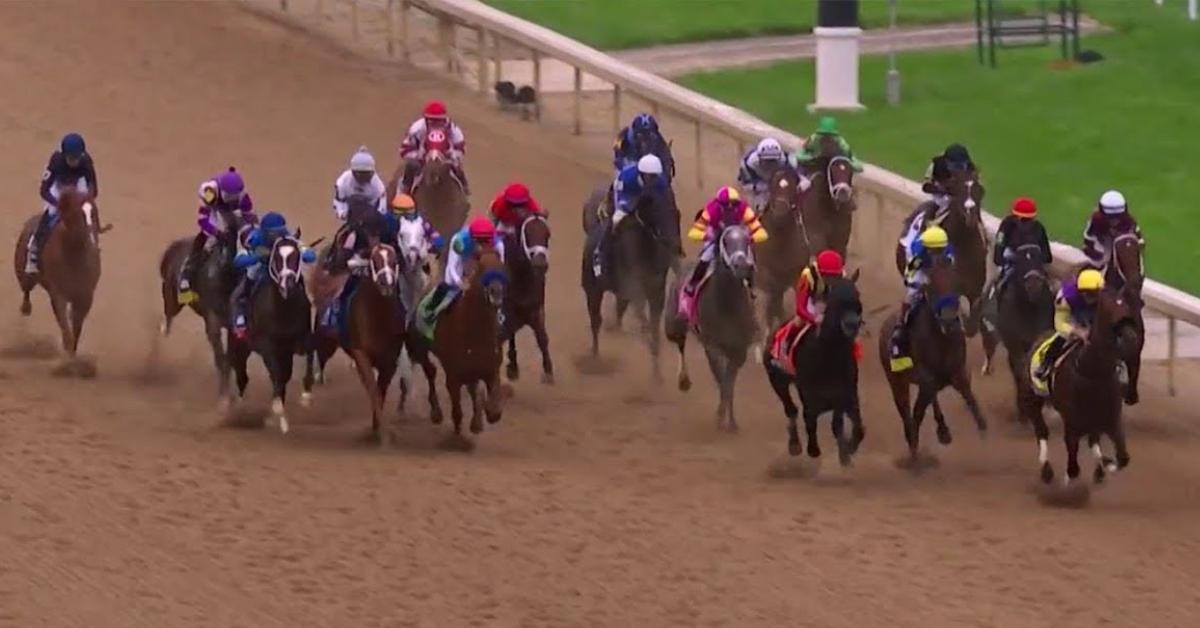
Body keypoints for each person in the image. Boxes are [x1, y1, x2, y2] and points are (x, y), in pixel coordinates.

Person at [230, 212, 315, 339]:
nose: (277, 236)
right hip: (262, 269)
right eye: (273, 233)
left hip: (281, 269)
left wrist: (304, 252)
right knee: (238, 294)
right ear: (265, 232)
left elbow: (310, 255)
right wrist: (256, 256)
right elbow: (238, 260)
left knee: (300, 283)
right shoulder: (254, 238)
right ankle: (240, 322)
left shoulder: (288, 238)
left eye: (279, 232)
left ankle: (307, 326)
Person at [178, 168, 257, 304]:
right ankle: (186, 275)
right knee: (208, 238)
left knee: (247, 235)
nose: (232, 199)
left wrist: (250, 233)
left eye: (235, 197)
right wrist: (216, 232)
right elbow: (203, 221)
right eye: (230, 196)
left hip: (233, 212)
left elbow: (249, 217)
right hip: (215, 209)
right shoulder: (209, 192)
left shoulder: (243, 196)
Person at [25, 132, 99, 275]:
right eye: (71, 158)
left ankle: (92, 243)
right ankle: (33, 252)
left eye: (77, 158)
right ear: (64, 155)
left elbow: (93, 188)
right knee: (50, 215)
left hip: (77, 187)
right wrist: (58, 204)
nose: (74, 162)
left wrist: (85, 200)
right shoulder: (56, 161)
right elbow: (44, 190)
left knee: (87, 212)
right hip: (58, 190)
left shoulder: (86, 162)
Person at [680, 186, 768, 303]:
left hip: (737, 237)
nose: (730, 207)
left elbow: (761, 233)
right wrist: (707, 235)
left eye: (734, 204)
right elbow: (693, 232)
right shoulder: (711, 209)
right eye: (726, 204)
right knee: (706, 257)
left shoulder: (743, 208)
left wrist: (750, 238)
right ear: (719, 204)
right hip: (716, 237)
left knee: (749, 258)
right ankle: (693, 283)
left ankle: (752, 287)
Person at [592, 154, 669, 278]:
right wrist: (629, 207)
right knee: (616, 219)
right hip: (626, 194)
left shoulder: (660, 182)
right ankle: (600, 253)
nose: (652, 179)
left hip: (645, 197)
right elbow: (621, 197)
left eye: (654, 176)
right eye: (650, 176)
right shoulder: (627, 178)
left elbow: (663, 199)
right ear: (642, 173)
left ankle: (671, 255)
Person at [889, 226, 954, 372]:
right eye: (934, 250)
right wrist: (919, 285)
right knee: (911, 297)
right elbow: (909, 275)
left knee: (951, 297)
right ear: (928, 248)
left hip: (939, 276)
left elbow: (952, 270)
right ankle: (899, 331)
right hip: (921, 275)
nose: (937, 253)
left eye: (940, 250)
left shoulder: (948, 250)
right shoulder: (917, 253)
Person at [422, 216, 505, 326]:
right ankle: (431, 309)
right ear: (473, 239)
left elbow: (499, 268)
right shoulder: (459, 241)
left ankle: (500, 314)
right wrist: (460, 283)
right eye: (479, 242)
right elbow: (451, 267)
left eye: (486, 242)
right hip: (462, 258)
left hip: (479, 262)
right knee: (449, 282)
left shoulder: (499, 245)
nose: (482, 245)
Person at [1034, 268, 1104, 382]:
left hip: (1092, 320)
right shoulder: (1065, 298)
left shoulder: (1103, 299)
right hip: (1072, 319)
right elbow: (1060, 324)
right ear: (1082, 292)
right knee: (1062, 338)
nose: (1095, 299)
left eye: (1097, 295)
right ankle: (1046, 363)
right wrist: (1078, 332)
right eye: (1091, 295)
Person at [986, 196, 1052, 300]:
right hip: (1017, 261)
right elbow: (1047, 255)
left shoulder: (1038, 227)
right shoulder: (1008, 225)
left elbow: (1047, 255)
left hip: (1028, 262)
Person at [398, 100, 468, 196]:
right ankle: (404, 192)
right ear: (426, 120)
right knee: (410, 166)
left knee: (458, 168)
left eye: (439, 121)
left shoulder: (453, 129)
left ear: (444, 120)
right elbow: (404, 150)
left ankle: (465, 190)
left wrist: (451, 154)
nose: (435, 124)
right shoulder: (416, 129)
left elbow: (461, 149)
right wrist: (420, 155)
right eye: (432, 121)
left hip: (445, 159)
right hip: (421, 159)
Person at [1081, 189, 1144, 272]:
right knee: (1098, 263)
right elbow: (1089, 240)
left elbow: (1139, 242)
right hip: (1102, 242)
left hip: (1122, 245)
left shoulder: (1129, 222)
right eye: (1110, 218)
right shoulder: (1096, 220)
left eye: (1118, 217)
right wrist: (1098, 257)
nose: (1114, 221)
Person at [737, 137, 800, 212]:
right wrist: (762, 187)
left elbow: (797, 176)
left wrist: (801, 181)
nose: (770, 164)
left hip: (778, 182)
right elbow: (745, 184)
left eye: (773, 160)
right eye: (766, 160)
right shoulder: (748, 164)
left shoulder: (787, 161)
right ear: (759, 157)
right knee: (759, 206)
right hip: (760, 185)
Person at [792, 249, 846, 331]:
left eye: (834, 277)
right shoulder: (807, 275)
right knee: (798, 322)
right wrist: (813, 319)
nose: (831, 280)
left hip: (830, 304)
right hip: (811, 304)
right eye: (828, 276)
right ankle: (784, 338)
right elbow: (800, 308)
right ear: (819, 272)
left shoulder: (842, 275)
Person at [332, 145, 387, 221]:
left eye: (367, 174)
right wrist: (343, 214)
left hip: (370, 215)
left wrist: (373, 218)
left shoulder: (378, 187)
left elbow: (382, 210)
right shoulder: (343, 182)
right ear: (353, 172)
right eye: (361, 174)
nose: (363, 177)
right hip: (350, 213)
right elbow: (339, 202)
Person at [795, 116, 863, 172]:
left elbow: (858, 166)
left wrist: (847, 163)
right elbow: (800, 155)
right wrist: (812, 158)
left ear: (835, 137)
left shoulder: (842, 146)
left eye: (829, 136)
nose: (826, 139)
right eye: (823, 135)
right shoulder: (813, 140)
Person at [921, 143, 976, 209]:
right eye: (955, 166)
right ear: (946, 161)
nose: (957, 170)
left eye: (960, 166)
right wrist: (943, 190)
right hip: (939, 197)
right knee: (929, 208)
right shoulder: (937, 164)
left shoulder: (971, 169)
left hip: (961, 198)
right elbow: (925, 186)